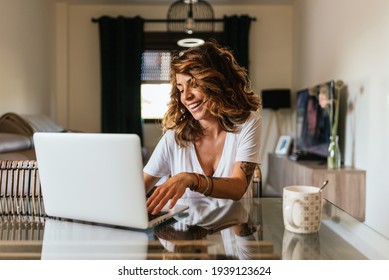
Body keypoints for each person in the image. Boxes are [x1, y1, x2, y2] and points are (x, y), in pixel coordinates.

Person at [144, 40, 262, 214]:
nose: (186, 97)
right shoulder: (174, 138)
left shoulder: (247, 123)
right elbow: (138, 187)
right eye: (181, 89)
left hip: (233, 233)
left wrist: (191, 179)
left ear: (218, 82)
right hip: (183, 236)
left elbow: (238, 187)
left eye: (194, 84)